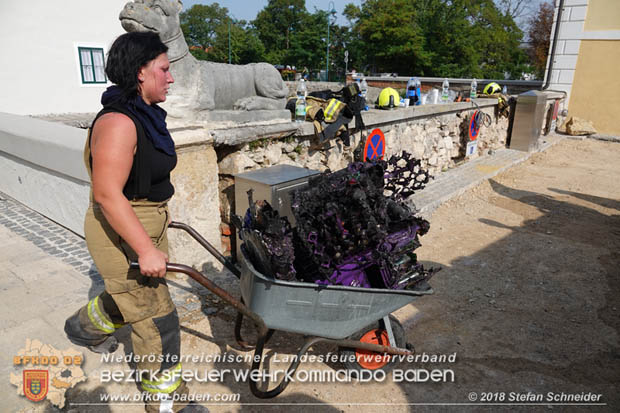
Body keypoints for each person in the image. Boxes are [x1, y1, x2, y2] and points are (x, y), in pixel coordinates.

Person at [64, 31, 190, 412]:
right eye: (164, 69)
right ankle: (168, 403)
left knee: (131, 299)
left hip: (145, 222)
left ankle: (82, 328)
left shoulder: (144, 114)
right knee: (157, 320)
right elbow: (107, 194)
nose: (170, 78)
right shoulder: (120, 122)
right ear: (140, 71)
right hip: (122, 228)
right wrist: (144, 248)